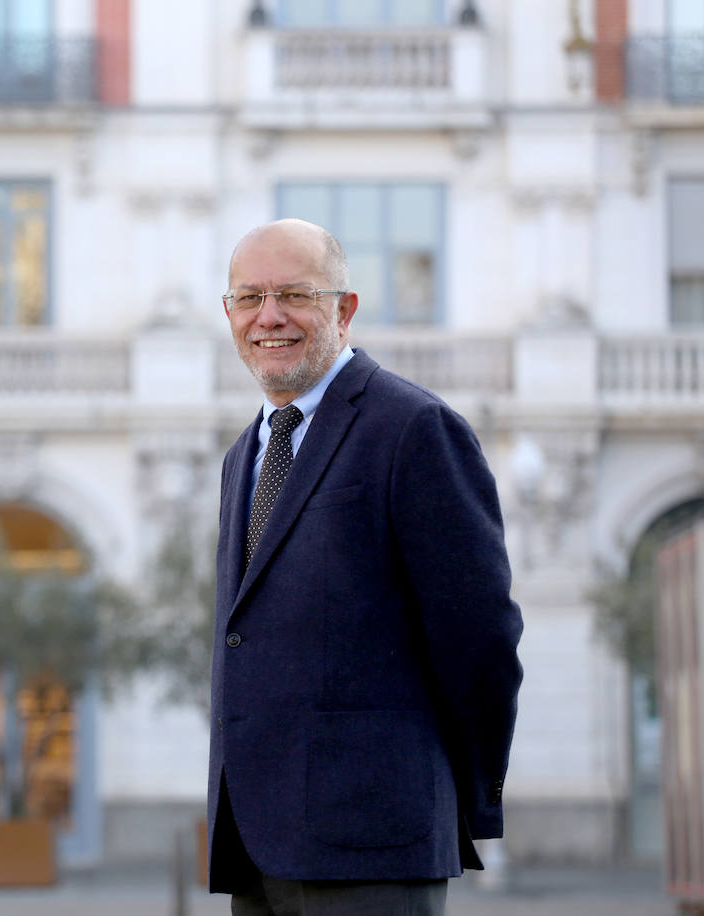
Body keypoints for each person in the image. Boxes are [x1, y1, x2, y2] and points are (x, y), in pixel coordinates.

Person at [208, 219, 524, 916]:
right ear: (228, 313)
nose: (269, 317)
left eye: (295, 294)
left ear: (344, 310)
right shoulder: (245, 454)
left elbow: (480, 641)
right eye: (248, 298)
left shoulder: (415, 428)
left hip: (375, 841)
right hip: (256, 847)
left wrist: (469, 797)